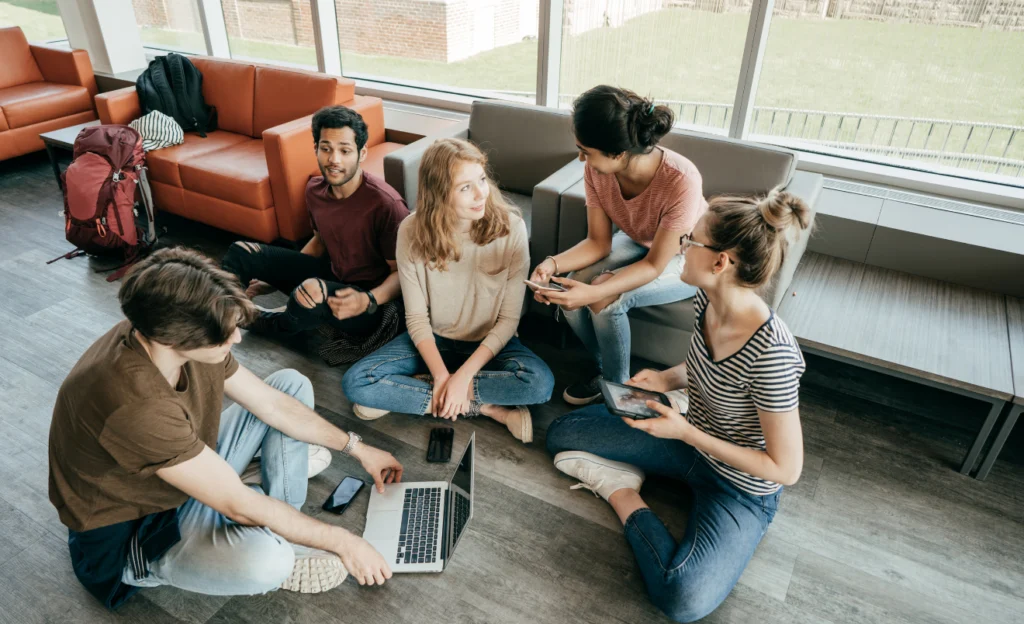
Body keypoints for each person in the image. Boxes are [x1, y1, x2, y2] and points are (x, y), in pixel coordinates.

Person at [48, 248, 405, 610]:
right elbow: (236, 505)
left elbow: (272, 404)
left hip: (173, 472)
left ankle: (273, 513)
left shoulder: (167, 326)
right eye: (226, 334)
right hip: (138, 528)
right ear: (176, 339)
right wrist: (343, 541)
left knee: (290, 385)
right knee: (270, 562)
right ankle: (240, 533)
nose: (236, 339)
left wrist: (358, 448)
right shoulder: (133, 403)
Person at [545, 190, 811, 624]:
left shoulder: (773, 355)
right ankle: (638, 467)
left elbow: (786, 469)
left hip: (739, 487)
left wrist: (685, 432)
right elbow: (705, 362)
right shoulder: (708, 298)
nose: (681, 246)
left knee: (682, 597)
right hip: (688, 440)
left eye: (691, 240)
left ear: (720, 262)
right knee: (562, 433)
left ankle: (622, 491)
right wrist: (668, 378)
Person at [342, 138, 554, 443]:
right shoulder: (411, 231)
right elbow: (416, 318)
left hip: (490, 342)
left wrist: (464, 376)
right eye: (465, 187)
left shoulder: (511, 228)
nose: (482, 193)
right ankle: (486, 408)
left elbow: (508, 321)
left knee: (539, 385)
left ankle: (420, 393)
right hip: (435, 339)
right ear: (440, 194)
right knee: (356, 383)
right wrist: (444, 377)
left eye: (481, 179)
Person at [530, 85, 707, 405]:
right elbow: (597, 242)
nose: (581, 157)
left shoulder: (681, 180)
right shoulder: (595, 171)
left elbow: (655, 264)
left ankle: (620, 390)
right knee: (571, 288)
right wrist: (552, 264)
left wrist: (596, 291)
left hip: (687, 256)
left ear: (619, 153)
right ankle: (604, 369)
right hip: (640, 241)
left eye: (587, 150)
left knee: (605, 298)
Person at [221, 105, 408, 342]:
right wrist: (273, 280)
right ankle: (219, 316)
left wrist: (368, 300)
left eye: (345, 150)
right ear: (316, 149)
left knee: (309, 291)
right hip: (333, 277)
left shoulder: (386, 204)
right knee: (242, 252)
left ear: (361, 154)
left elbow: (402, 274)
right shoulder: (315, 190)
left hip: (370, 303)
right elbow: (320, 242)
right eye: (326, 148)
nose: (334, 159)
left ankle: (259, 321)